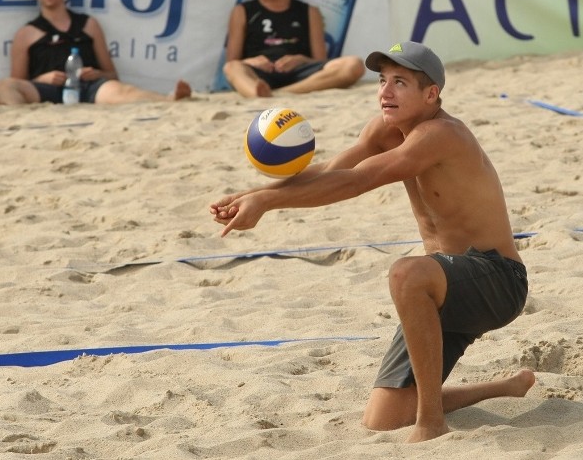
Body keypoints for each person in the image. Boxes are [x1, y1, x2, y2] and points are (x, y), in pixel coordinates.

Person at [210, 41, 535, 442]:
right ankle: (504, 387)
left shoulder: (442, 134)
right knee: (382, 419)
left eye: (400, 82)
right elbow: (332, 170)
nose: (385, 92)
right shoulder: (386, 128)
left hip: (496, 279)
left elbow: (361, 180)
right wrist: (250, 195)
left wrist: (269, 203)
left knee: (405, 273)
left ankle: (431, 422)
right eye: (382, 80)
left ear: (431, 94)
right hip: (443, 284)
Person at [0, 0, 191, 105]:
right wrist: (42, 79)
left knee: (125, 91)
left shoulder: (88, 25)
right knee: (5, 86)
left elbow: (112, 74)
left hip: (87, 89)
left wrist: (95, 74)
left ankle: (169, 99)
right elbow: (17, 80)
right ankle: (12, 116)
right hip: (47, 92)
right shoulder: (26, 33)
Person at [222, 0, 364, 98]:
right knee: (232, 68)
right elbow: (232, 62)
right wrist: (251, 62)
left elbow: (321, 61)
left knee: (354, 65)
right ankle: (257, 93)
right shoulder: (242, 11)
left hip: (300, 74)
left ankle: (282, 94)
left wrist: (301, 60)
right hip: (261, 73)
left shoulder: (310, 11)